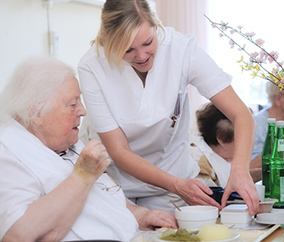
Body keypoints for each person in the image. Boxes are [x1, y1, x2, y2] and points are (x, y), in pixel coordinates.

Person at [77, 0, 258, 214]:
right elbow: (119, 151)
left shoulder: (182, 50)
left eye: (148, 43)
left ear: (155, 25)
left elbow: (241, 114)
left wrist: (239, 170)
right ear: (108, 40)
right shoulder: (92, 67)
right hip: (116, 184)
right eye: (128, 50)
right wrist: (176, 185)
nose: (142, 56)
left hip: (172, 176)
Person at [0, 57, 177, 242]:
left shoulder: (68, 141)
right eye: (72, 104)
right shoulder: (8, 152)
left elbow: (104, 195)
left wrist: (139, 215)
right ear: (36, 113)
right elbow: (17, 235)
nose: (83, 111)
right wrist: (82, 176)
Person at [192, 103, 262, 186]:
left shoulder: (222, 156)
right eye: (244, 137)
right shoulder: (200, 165)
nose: (248, 143)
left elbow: (234, 175)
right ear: (221, 138)